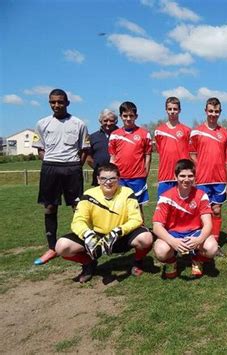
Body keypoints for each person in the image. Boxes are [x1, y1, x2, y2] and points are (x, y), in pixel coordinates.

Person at [55, 163, 154, 283]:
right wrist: (87, 234)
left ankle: (137, 262)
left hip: (120, 236)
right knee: (61, 246)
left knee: (147, 238)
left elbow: (136, 219)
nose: (108, 182)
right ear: (97, 179)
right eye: (103, 178)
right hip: (96, 239)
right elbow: (78, 221)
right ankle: (88, 263)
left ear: (119, 179)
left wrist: (118, 231)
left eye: (112, 178)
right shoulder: (89, 195)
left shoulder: (127, 192)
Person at [32, 88, 90, 265]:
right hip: (50, 168)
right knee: (49, 207)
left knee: (77, 207)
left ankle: (80, 244)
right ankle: (51, 248)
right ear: (49, 103)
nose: (56, 105)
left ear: (67, 103)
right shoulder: (42, 123)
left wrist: (73, 166)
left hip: (72, 169)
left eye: (60, 101)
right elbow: (40, 149)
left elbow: (84, 150)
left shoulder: (79, 123)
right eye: (53, 102)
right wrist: (50, 161)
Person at [152, 159, 218, 278]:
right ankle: (171, 261)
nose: (186, 179)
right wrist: (173, 242)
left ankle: (197, 259)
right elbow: (156, 227)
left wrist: (198, 240)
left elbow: (208, 224)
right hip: (173, 233)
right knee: (161, 251)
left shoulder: (201, 195)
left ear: (194, 177)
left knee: (212, 248)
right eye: (182, 176)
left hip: (194, 233)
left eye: (190, 176)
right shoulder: (166, 197)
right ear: (175, 176)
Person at [190, 97, 227, 241]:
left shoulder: (225, 133)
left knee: (217, 210)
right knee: (203, 211)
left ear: (220, 112)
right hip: (202, 179)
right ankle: (202, 240)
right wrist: (199, 169)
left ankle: (216, 240)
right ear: (206, 111)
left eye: (216, 111)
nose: (213, 114)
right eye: (211, 111)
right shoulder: (196, 132)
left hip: (219, 178)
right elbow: (192, 154)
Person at [108, 101, 152, 218]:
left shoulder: (144, 134)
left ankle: (142, 232)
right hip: (120, 177)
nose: (128, 118)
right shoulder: (115, 135)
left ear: (136, 116)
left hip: (138, 177)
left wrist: (145, 173)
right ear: (121, 116)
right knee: (119, 207)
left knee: (137, 207)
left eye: (131, 116)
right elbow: (112, 157)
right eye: (125, 116)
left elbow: (147, 155)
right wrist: (112, 176)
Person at [154, 97, 191, 197]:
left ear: (179, 110)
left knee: (183, 209)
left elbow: (190, 153)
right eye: (170, 109)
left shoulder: (187, 130)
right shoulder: (159, 131)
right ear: (166, 110)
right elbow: (160, 152)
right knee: (164, 209)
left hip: (182, 176)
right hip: (165, 177)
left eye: (175, 109)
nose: (172, 112)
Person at [87, 109, 118, 186]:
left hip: (118, 176)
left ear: (116, 121)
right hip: (99, 177)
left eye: (111, 121)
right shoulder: (92, 137)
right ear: (100, 121)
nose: (108, 123)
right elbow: (88, 158)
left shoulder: (122, 135)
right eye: (105, 120)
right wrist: (99, 170)